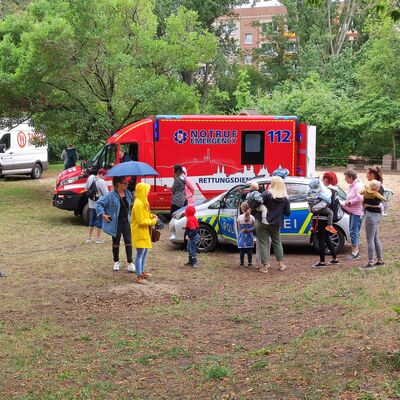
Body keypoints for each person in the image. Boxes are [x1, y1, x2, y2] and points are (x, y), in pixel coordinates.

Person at [96, 176, 135, 273]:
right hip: (116, 222)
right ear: (118, 184)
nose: (127, 185)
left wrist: (134, 199)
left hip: (126, 221)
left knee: (128, 241)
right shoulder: (111, 195)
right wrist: (103, 214)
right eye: (125, 183)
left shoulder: (128, 193)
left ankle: (130, 263)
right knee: (116, 242)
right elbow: (99, 203)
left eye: (127, 183)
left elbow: (131, 206)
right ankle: (116, 261)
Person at [256, 176, 290, 273]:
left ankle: (265, 266)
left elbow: (257, 203)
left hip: (262, 222)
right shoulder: (285, 198)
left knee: (263, 243)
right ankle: (281, 264)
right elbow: (287, 213)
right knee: (277, 242)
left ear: (273, 184)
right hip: (276, 223)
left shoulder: (266, 194)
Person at [311, 171, 340, 268]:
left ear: (326, 180)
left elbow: (320, 204)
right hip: (328, 219)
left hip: (321, 217)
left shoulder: (325, 191)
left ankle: (322, 261)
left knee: (321, 239)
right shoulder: (335, 191)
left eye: (323, 179)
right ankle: (335, 258)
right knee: (327, 238)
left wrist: (313, 208)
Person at [130, 182, 158, 284]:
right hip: (139, 232)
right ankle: (138, 276)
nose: (147, 193)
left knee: (145, 252)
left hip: (144, 232)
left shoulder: (143, 202)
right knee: (140, 254)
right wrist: (153, 221)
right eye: (146, 191)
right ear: (142, 191)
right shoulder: (138, 204)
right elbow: (141, 221)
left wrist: (151, 216)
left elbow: (145, 216)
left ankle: (141, 272)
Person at [360, 179, 385, 269]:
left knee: (370, 239)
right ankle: (380, 259)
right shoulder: (378, 192)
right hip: (377, 216)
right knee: (375, 238)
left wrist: (365, 203)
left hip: (371, 216)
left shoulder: (370, 193)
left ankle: (371, 261)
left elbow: (366, 200)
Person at [343, 169, 364, 260]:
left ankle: (355, 252)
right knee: (354, 231)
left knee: (353, 231)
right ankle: (355, 251)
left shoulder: (357, 186)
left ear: (351, 177)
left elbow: (360, 198)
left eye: (346, 177)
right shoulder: (353, 185)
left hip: (357, 212)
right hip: (353, 211)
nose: (345, 179)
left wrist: (350, 202)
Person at [85, 168, 109, 243]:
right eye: (105, 176)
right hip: (99, 205)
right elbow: (106, 194)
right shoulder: (101, 181)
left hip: (91, 204)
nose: (105, 178)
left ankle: (89, 238)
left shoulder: (90, 177)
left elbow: (86, 188)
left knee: (92, 220)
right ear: (101, 174)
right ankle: (98, 239)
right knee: (100, 220)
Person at [237, 202, 255, 267]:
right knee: (249, 250)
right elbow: (253, 226)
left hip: (242, 236)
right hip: (249, 236)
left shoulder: (239, 217)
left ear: (242, 209)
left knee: (242, 250)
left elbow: (238, 227)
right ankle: (250, 262)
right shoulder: (252, 217)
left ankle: (242, 263)